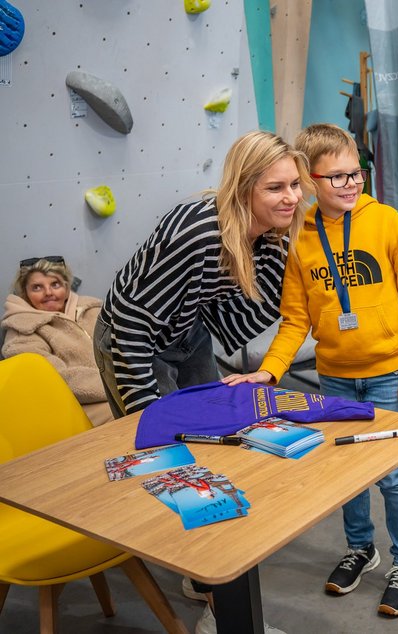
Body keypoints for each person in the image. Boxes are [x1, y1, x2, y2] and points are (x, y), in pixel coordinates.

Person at [93, 130, 307, 634]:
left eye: (295, 184)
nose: (293, 197)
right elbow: (131, 325)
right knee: (172, 456)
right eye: (277, 188)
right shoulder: (197, 232)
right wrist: (152, 412)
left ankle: (205, 579)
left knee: (214, 447)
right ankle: (216, 603)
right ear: (244, 187)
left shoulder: (267, 235)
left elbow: (236, 319)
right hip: (133, 338)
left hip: (187, 331)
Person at [222, 123, 398, 617]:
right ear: (309, 179)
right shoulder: (300, 235)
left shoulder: (386, 222)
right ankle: (360, 548)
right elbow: (295, 319)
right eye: (336, 176)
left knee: (391, 475)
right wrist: (270, 371)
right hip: (333, 377)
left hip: (387, 372)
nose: (351, 183)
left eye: (356, 172)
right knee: (343, 473)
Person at [2, 256, 112, 426]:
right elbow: (54, 379)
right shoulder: (22, 331)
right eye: (37, 287)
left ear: (67, 288)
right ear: (25, 293)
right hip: (81, 409)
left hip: (122, 391)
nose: (48, 293)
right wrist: (119, 383)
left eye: (55, 284)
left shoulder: (94, 309)